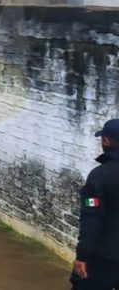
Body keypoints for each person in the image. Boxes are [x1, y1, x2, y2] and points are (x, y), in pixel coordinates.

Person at [71, 118, 119, 290]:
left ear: (106, 141)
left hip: (104, 257)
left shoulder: (99, 177)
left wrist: (82, 256)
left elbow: (92, 219)